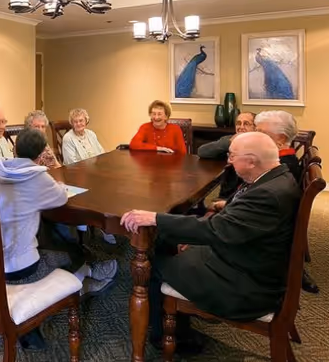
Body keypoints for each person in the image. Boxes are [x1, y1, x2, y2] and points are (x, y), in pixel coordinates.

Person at [121, 132, 301, 354]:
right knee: (168, 239)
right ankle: (172, 315)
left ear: (251, 161)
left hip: (246, 286)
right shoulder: (278, 178)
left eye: (233, 156)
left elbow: (215, 231)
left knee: (155, 265)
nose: (228, 160)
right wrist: (228, 208)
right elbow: (241, 222)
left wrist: (154, 218)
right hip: (249, 259)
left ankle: (170, 336)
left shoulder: (267, 195)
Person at [0, 128, 118, 349]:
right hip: (20, 270)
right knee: (69, 253)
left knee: (46, 237)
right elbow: (59, 197)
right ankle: (88, 274)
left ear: (14, 149)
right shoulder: (36, 176)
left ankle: (86, 272)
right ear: (40, 154)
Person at [254, 110, 318, 294]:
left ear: (280, 139)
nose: (255, 136)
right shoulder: (285, 161)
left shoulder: (280, 169)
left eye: (261, 133)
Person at [62, 108, 115, 244]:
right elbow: (71, 164)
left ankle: (105, 226)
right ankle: (89, 226)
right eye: (75, 121)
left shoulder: (91, 134)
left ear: (86, 121)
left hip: (94, 173)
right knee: (97, 191)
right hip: (76, 176)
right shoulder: (68, 138)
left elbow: (101, 153)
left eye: (81, 120)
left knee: (110, 187)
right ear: (71, 123)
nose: (79, 124)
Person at [198, 112, 256, 203]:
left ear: (255, 127)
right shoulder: (229, 139)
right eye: (238, 123)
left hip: (245, 198)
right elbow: (202, 151)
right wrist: (229, 142)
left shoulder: (260, 145)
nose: (241, 127)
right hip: (226, 195)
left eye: (246, 124)